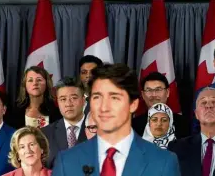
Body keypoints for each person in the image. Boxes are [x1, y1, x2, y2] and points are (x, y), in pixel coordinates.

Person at [52, 63, 180, 176]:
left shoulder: (163, 162)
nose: (104, 107)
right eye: (97, 97)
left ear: (133, 104)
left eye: (114, 97)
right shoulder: (67, 161)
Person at [41, 77, 87, 169]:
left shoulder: (97, 130)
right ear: (57, 102)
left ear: (83, 100)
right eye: (63, 99)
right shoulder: (45, 134)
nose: (68, 104)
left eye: (73, 98)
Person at [133, 72, 190, 139]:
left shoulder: (184, 124)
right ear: (143, 95)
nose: (154, 95)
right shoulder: (133, 126)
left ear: (167, 92)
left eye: (158, 90)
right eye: (149, 90)